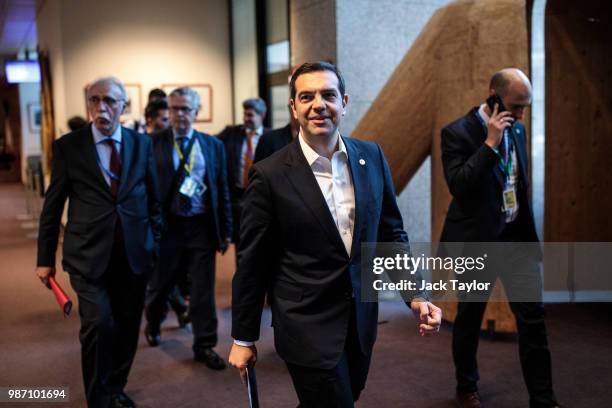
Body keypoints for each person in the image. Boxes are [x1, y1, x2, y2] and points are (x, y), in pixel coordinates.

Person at [229, 61, 442, 407]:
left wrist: (415, 295)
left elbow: (390, 234)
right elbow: (254, 261)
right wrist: (243, 336)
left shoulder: (371, 156)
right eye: (306, 96)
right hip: (305, 326)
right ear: (294, 107)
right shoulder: (269, 175)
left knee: (342, 397)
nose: (318, 104)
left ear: (343, 102)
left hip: (360, 322)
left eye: (328, 95)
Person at [36, 77, 161, 408]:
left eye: (108, 100)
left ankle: (116, 385)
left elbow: (154, 201)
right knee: (99, 324)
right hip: (87, 256)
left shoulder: (141, 144)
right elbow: (52, 206)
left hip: (134, 256)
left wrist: (154, 243)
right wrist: (44, 257)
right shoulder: (68, 147)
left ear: (123, 106)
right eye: (94, 100)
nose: (100, 107)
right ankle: (99, 399)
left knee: (128, 324)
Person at [440, 68, 559, 408]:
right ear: (493, 96)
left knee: (533, 320)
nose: (521, 114)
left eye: (525, 107)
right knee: (470, 317)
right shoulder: (457, 132)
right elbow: (459, 185)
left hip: (514, 240)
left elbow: (515, 185)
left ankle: (544, 399)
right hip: (476, 242)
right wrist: (490, 144)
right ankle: (466, 386)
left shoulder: (518, 130)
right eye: (515, 106)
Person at [144, 87, 232, 370]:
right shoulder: (151, 144)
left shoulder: (213, 145)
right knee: (160, 286)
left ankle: (204, 345)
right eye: (175, 108)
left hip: (201, 227)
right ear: (168, 111)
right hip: (167, 228)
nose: (180, 114)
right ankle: (154, 320)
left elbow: (222, 190)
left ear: (196, 112)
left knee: (203, 290)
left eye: (185, 109)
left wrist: (225, 229)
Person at [217, 97, 268, 247]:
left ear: (262, 115)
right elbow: (211, 144)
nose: (246, 119)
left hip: (261, 198)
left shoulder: (270, 137)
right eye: (245, 114)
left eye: (250, 115)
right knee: (240, 242)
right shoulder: (231, 133)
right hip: (238, 197)